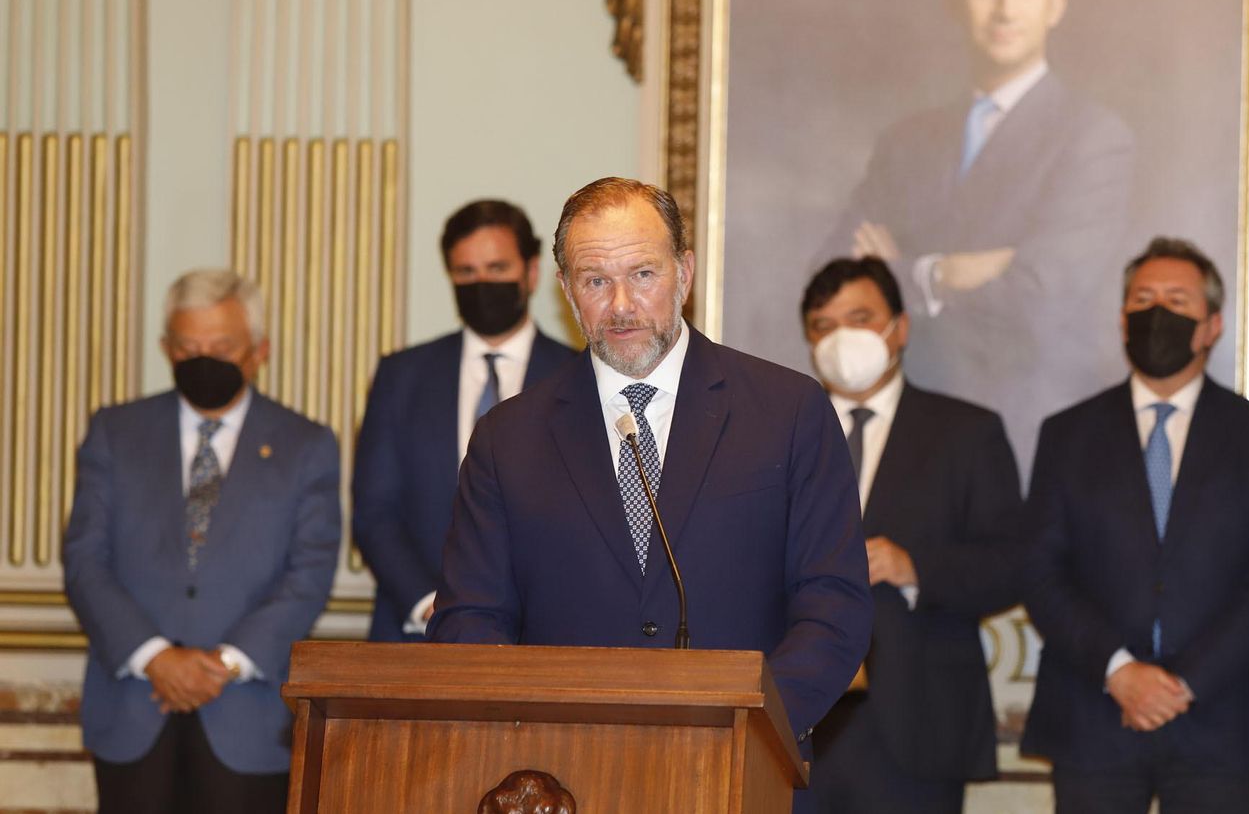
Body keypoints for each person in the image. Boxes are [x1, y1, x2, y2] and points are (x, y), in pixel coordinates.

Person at [430, 177, 874, 811]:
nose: (621, 306)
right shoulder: (508, 438)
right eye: (595, 281)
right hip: (562, 779)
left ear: (684, 273)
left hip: (740, 773)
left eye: (642, 274)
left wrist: (751, 725)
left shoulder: (787, 411)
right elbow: (469, 619)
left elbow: (833, 607)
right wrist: (536, 737)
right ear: (565, 290)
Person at [831, 0, 1136, 470]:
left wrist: (900, 271)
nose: (1005, 8)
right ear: (956, 0)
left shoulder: (1093, 138)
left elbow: (1038, 301)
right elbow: (831, 279)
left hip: (1025, 438)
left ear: (1056, 4)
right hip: (905, 439)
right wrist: (942, 274)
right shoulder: (907, 140)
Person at [1022, 237, 1249, 814]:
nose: (1157, 315)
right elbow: (1042, 574)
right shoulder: (1066, 435)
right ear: (1123, 319)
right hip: (1093, 715)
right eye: (1143, 299)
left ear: (1212, 326)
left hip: (1220, 719)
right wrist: (1122, 673)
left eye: (1177, 301)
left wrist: (1181, 685)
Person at [63, 269, 341, 814]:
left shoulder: (305, 444)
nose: (203, 359)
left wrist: (222, 664)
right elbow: (84, 561)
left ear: (259, 351)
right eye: (188, 347)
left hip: (249, 716)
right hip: (134, 705)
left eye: (221, 347)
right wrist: (157, 658)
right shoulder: (114, 432)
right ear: (166, 347)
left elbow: (308, 573)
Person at [800, 257, 1026, 813]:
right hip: (797, 722)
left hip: (917, 725)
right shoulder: (781, 433)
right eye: (823, 326)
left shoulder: (966, 433)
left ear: (898, 328)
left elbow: (1011, 565)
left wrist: (915, 567)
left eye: (859, 317)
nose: (841, 338)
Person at [353, 199, 576, 642]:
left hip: (542, 637)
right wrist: (428, 604)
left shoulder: (577, 377)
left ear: (531, 273)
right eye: (466, 273)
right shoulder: (402, 376)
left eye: (497, 269)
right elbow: (374, 511)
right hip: (415, 633)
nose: (482, 284)